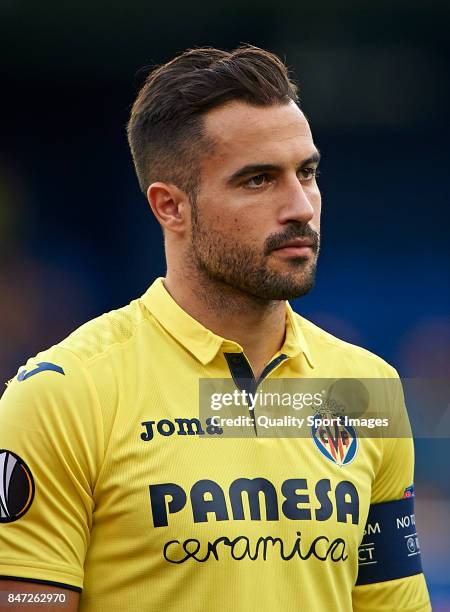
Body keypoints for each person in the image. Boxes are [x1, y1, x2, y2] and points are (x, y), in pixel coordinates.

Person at [0, 45, 431, 611]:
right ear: (169, 207)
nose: (300, 206)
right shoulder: (63, 395)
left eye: (307, 172)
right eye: (258, 180)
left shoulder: (366, 386)